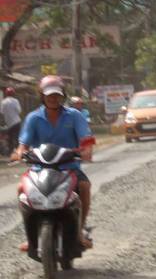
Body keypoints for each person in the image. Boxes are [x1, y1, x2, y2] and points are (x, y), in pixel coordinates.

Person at [12, 76, 94, 250]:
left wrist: (86, 151)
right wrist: (20, 153)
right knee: (21, 190)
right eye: (49, 95)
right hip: (40, 168)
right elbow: (23, 144)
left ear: (63, 96)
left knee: (84, 186)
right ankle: (30, 235)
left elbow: (85, 139)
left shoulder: (74, 116)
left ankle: (79, 230)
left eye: (57, 95)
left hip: (68, 168)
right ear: (42, 96)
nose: (53, 99)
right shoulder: (33, 118)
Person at [1, 87, 22, 154]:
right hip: (16, 122)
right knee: (17, 138)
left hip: (9, 123)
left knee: (10, 138)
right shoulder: (15, 101)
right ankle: (19, 152)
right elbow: (19, 111)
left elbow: (2, 112)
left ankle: (10, 153)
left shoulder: (3, 102)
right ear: (13, 93)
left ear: (6, 94)